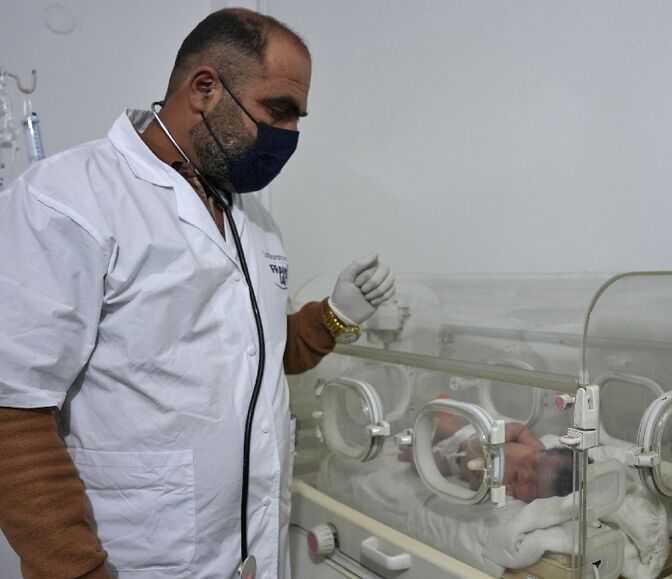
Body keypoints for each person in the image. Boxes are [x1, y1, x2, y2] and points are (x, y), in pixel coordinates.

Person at [0, 8, 394, 579]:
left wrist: (333, 317)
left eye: (298, 117)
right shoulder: (68, 200)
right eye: (277, 110)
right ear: (205, 89)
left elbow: (257, 352)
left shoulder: (250, 216)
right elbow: (13, 410)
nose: (290, 134)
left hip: (252, 551)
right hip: (135, 559)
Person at [399, 415, 575, 503]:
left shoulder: (509, 492)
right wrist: (505, 433)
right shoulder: (534, 446)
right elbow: (519, 429)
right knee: (444, 426)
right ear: (543, 452)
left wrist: (480, 485)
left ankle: (412, 454)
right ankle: (426, 441)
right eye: (535, 465)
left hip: (457, 463)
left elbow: (478, 489)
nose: (525, 476)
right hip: (471, 436)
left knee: (424, 466)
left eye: (533, 486)